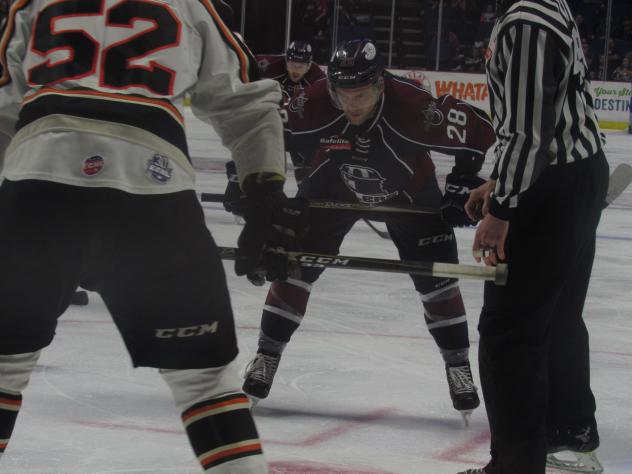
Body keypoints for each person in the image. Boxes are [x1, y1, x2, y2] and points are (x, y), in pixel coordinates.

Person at [0, 1, 304, 472]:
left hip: (39, 178)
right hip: (151, 186)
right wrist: (263, 186)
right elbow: (246, 101)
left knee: (3, 366)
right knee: (205, 383)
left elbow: (3, 106)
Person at [240, 39, 496, 422]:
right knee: (292, 263)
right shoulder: (311, 103)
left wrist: (463, 179)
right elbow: (263, 133)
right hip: (333, 185)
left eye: (361, 93)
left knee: (438, 281)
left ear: (380, 85)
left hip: (410, 192)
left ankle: (457, 364)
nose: (352, 103)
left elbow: (481, 131)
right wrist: (253, 188)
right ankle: (266, 354)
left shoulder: (415, 109)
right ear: (331, 88)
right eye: (344, 94)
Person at [458, 0, 609, 473]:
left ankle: (515, 467)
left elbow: (527, 132)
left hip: (551, 186)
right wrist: (503, 181)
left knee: (509, 332)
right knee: (559, 317)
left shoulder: (525, 19)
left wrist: (503, 208)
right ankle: (570, 435)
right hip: (575, 174)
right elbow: (546, 115)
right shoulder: (547, 4)